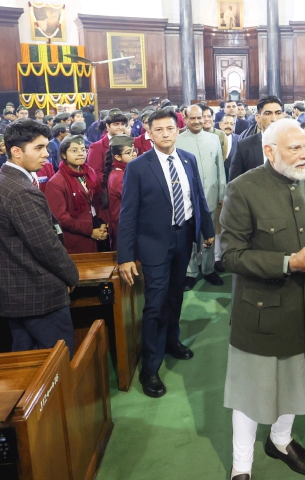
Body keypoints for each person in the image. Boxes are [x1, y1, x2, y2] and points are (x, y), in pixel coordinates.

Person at [220, 118, 305, 480]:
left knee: (295, 384)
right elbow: (230, 256)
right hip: (261, 314)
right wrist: (288, 263)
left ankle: (280, 440)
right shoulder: (243, 189)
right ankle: (241, 467)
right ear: (269, 151)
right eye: (295, 148)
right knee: (248, 396)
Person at [117, 109, 214, 398]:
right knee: (156, 304)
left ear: (177, 129)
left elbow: (197, 197)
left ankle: (172, 341)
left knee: (176, 295)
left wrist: (206, 230)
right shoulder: (138, 167)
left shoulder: (188, 159)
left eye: (169, 128)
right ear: (149, 133)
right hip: (154, 244)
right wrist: (124, 256)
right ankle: (151, 368)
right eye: (158, 130)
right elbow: (127, 215)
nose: (165, 134)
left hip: (183, 237)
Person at [0, 120, 79, 352]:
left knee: (28, 360)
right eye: (38, 148)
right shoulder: (21, 191)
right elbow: (46, 246)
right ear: (15, 151)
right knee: (56, 364)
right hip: (38, 293)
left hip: (16, 291)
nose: (47, 154)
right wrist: (72, 276)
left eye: (46, 147)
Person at [176, 105, 226, 289]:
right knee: (188, 237)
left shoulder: (214, 139)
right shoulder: (178, 141)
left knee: (209, 235)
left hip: (211, 196)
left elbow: (220, 168)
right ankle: (190, 272)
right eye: (193, 118)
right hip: (187, 199)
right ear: (185, 118)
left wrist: (222, 193)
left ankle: (208, 269)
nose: (197, 121)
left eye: (200, 118)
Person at [44, 134, 106, 254]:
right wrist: (90, 231)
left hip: (97, 228)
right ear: (63, 155)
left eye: (83, 150)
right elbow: (61, 218)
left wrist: (102, 223)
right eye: (74, 150)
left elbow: (98, 200)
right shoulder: (56, 182)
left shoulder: (90, 172)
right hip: (76, 238)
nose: (81, 153)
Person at [228, 96, 284, 181]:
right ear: (258, 117)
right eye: (268, 113)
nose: (274, 119)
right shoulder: (244, 146)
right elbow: (234, 184)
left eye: (278, 113)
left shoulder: (295, 143)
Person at [103, 135, 136, 251]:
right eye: (129, 152)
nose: (134, 154)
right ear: (117, 157)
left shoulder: (124, 171)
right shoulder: (119, 177)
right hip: (125, 230)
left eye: (134, 151)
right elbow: (137, 200)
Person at [88, 110, 128, 185]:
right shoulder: (96, 147)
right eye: (116, 124)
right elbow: (94, 173)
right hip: (107, 188)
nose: (120, 127)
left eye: (122, 124)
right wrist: (115, 182)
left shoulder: (128, 143)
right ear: (107, 126)